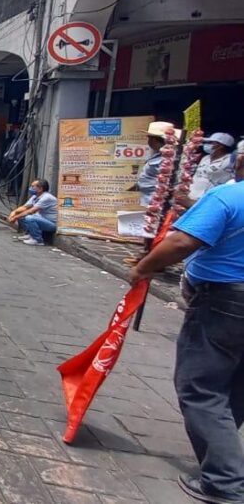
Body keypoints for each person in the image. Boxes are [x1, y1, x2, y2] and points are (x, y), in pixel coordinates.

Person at [127, 154, 244, 504]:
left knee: (200, 387)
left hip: (226, 302)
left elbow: (181, 242)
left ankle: (225, 481)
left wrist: (143, 268)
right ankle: (222, 454)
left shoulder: (228, 196)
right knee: (235, 382)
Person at [177, 132, 237, 210]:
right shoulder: (205, 158)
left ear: (220, 146)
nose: (207, 145)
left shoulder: (230, 160)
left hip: (207, 201)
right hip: (189, 197)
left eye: (210, 143)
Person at [131, 122, 173, 207]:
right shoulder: (157, 155)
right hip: (149, 201)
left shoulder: (167, 158)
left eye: (148, 138)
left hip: (159, 204)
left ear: (153, 140)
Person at [7, 179, 58, 246]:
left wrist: (15, 217)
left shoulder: (46, 198)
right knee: (22, 215)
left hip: (52, 224)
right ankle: (30, 234)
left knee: (29, 217)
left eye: (33, 186)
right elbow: (24, 207)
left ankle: (38, 240)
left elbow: (31, 211)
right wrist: (13, 213)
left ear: (40, 188)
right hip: (42, 219)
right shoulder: (35, 196)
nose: (30, 188)